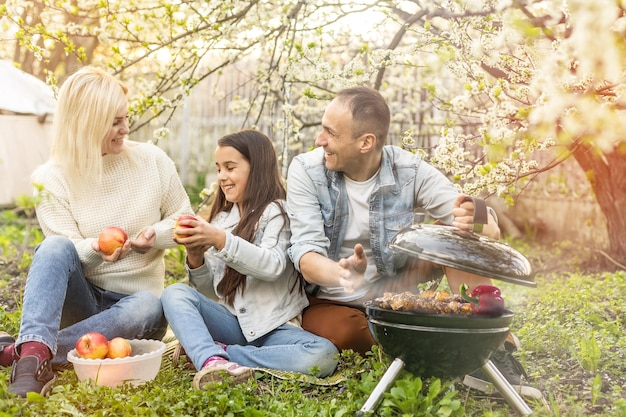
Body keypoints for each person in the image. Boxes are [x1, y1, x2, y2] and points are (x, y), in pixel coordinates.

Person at [286, 86, 542, 399]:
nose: (319, 140)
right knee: (351, 334)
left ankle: (492, 349)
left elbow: (487, 229)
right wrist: (343, 274)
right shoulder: (306, 171)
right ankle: (445, 344)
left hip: (393, 283)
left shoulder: (408, 169)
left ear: (366, 142)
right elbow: (305, 256)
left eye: (330, 132)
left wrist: (471, 219)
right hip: (332, 297)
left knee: (456, 238)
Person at [0, 66, 194, 397]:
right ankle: (33, 363)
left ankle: (27, 352)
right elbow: (64, 250)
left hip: (136, 311)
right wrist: (96, 248)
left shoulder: (152, 161)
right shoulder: (50, 178)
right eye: (115, 122)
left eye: (125, 117)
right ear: (88, 124)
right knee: (54, 246)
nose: (126, 128)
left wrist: (155, 236)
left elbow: (185, 219)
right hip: (82, 302)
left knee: (149, 304)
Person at [162, 129, 338, 390]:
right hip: (232, 323)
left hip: (274, 329)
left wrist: (221, 240)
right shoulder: (222, 220)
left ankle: (216, 356)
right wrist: (196, 258)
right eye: (219, 168)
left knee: (324, 354)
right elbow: (211, 293)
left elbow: (272, 266)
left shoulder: (278, 212)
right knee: (175, 293)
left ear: (256, 168)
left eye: (230, 168)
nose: (222, 177)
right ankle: (212, 358)